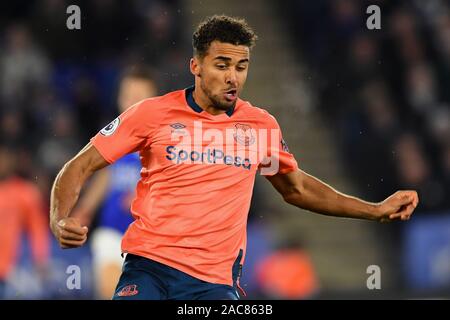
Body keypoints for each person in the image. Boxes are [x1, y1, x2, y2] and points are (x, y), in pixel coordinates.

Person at [49, 15, 419, 300]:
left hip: (213, 284)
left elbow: (296, 189)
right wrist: (59, 217)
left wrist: (373, 209)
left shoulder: (259, 128)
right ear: (196, 66)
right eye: (221, 65)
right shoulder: (150, 114)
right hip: (149, 271)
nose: (232, 78)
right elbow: (79, 166)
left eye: (240, 67)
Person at [70, 66, 158, 299]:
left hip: (150, 240)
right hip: (113, 232)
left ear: (154, 101)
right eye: (128, 96)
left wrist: (145, 199)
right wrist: (85, 209)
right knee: (110, 290)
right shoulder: (113, 137)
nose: (132, 103)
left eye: (139, 98)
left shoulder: (164, 142)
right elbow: (106, 175)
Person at [0, 144, 49, 298]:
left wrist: (40, 258)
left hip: (9, 271)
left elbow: (38, 229)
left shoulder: (26, 193)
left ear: (11, 160)